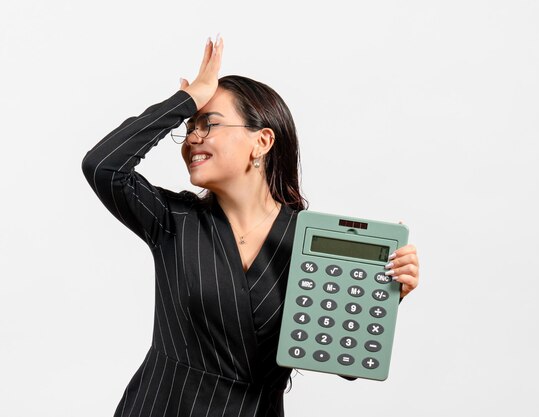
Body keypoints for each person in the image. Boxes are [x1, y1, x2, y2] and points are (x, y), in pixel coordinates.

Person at [81, 34, 420, 417]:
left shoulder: (309, 239)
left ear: (262, 141)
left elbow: (345, 362)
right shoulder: (173, 219)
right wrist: (188, 100)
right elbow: (103, 165)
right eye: (189, 127)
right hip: (160, 406)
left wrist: (381, 296)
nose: (192, 138)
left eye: (208, 124)